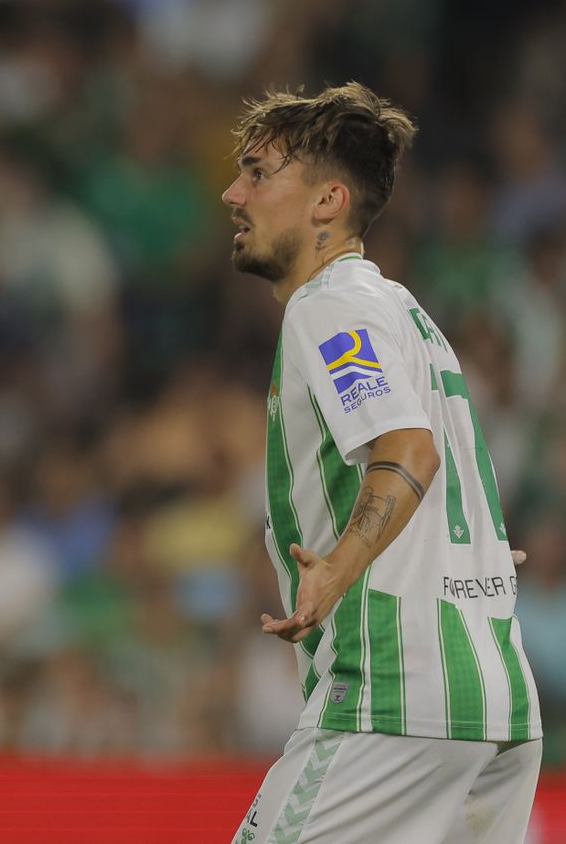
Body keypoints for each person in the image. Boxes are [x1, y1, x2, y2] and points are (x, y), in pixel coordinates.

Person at [221, 84, 542, 844]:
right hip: (493, 701)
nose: (233, 194)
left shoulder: (328, 306)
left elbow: (408, 449)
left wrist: (339, 564)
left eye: (259, 174)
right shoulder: (408, 315)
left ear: (328, 201)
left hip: (396, 695)